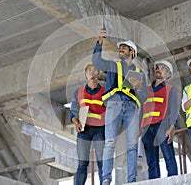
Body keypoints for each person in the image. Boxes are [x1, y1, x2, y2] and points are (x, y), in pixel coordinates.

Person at [92, 29, 147, 184]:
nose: (120, 50)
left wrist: (139, 87)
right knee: (110, 143)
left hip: (131, 108)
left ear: (132, 52)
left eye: (124, 48)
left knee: (132, 146)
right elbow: (97, 62)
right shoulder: (113, 65)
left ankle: (132, 180)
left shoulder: (138, 72)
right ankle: (106, 178)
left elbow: (143, 98)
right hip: (114, 103)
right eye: (120, 48)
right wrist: (99, 43)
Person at [69, 62, 106, 185]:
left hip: (100, 129)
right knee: (82, 162)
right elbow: (73, 110)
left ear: (98, 74)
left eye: (94, 69)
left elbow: (112, 110)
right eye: (89, 70)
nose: (91, 71)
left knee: (101, 161)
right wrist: (75, 122)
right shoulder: (78, 92)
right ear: (85, 74)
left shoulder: (105, 91)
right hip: (84, 130)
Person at [141, 60, 178, 179]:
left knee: (169, 157)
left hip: (163, 125)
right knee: (151, 162)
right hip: (146, 128)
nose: (159, 69)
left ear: (168, 75)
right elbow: (141, 110)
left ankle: (173, 181)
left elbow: (174, 109)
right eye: (158, 68)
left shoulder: (170, 89)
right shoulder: (146, 90)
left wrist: (172, 127)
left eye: (163, 69)